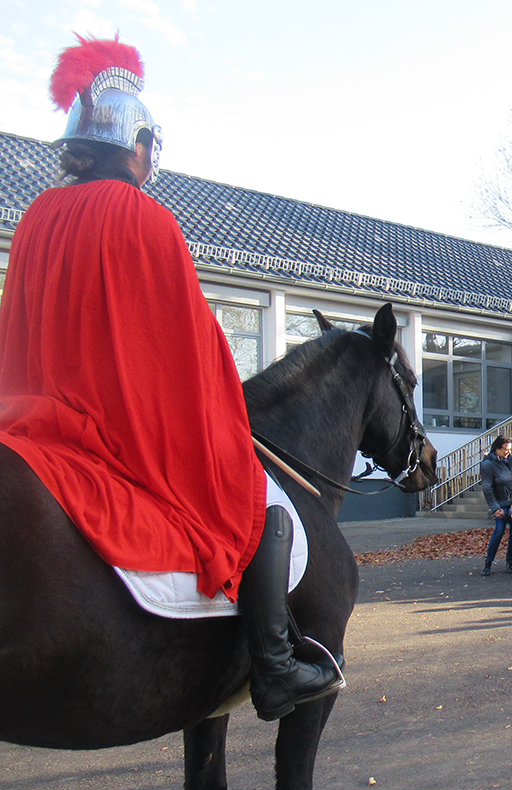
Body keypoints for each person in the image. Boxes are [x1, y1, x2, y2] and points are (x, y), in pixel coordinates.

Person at [0, 37, 341, 722]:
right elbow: (187, 347)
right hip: (118, 428)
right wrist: (221, 413)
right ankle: (274, 666)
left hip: (32, 421)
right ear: (134, 142)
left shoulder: (34, 219)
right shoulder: (143, 219)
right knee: (260, 509)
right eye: (150, 144)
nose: (152, 158)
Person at [479, 436, 512, 576]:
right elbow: (487, 488)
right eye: (505, 450)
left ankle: (510, 563)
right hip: (501, 503)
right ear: (497, 449)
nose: (508, 452)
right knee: (499, 531)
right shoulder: (488, 465)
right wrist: (495, 508)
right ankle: (488, 563)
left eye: (509, 449)